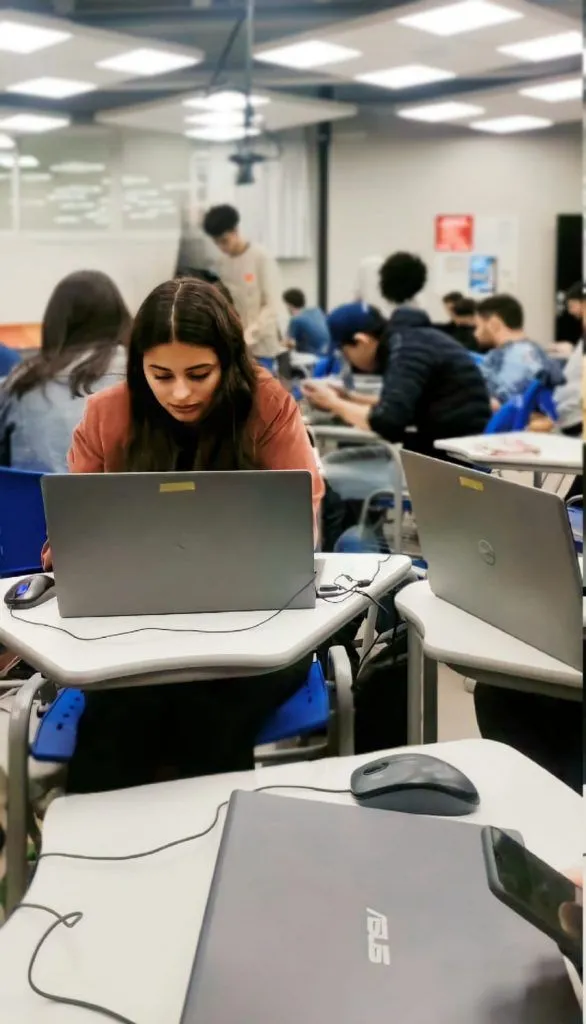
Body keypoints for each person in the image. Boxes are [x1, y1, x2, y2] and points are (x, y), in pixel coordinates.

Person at [42, 277, 324, 794]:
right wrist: (72, 557)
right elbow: (66, 541)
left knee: (205, 716)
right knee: (118, 722)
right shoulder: (107, 415)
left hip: (250, 635)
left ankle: (205, 859)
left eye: (199, 373)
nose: (180, 392)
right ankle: (99, 862)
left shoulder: (266, 407)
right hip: (135, 634)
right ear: (139, 367)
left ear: (229, 362)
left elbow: (296, 525)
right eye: (160, 374)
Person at [0, 271, 129, 472]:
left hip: (35, 499)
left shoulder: (22, 380)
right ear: (120, 317)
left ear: (55, 321)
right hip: (122, 500)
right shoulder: (145, 374)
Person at [202, 204, 285, 366]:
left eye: (224, 241)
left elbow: (272, 304)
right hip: (238, 345)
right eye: (216, 243)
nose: (221, 247)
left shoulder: (261, 257)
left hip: (262, 346)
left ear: (235, 231)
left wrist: (250, 334)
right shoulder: (222, 263)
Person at [475, 294, 563, 408]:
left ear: (494, 324)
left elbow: (503, 405)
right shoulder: (523, 351)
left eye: (478, 326)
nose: (475, 334)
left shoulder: (519, 356)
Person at [283, 288, 330, 356]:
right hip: (327, 355)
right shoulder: (317, 310)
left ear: (289, 305)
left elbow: (288, 344)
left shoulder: (296, 319)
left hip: (311, 357)